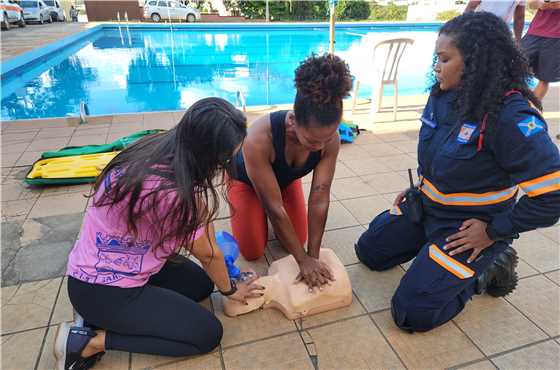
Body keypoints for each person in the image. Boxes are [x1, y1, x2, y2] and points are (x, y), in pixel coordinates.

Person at [355, 12, 560, 333]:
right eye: (436, 58)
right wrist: (420, 189)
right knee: (369, 252)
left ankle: (489, 266)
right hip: (428, 207)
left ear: (475, 62)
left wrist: (494, 230)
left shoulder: (511, 117)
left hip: (467, 228)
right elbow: (440, 156)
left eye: (444, 58)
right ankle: (435, 258)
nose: (436, 66)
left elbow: (553, 197)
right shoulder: (442, 95)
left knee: (411, 313)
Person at [54, 98, 265, 370]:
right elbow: (207, 253)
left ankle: (108, 318)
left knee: (200, 285)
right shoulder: (172, 193)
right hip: (102, 290)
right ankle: (89, 342)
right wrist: (230, 288)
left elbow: (204, 230)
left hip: (120, 261)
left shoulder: (161, 148)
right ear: (207, 155)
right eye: (224, 158)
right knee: (207, 334)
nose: (226, 165)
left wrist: (217, 266)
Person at [226, 53, 353, 290]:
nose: (321, 146)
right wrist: (301, 260)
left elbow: (320, 195)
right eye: (313, 141)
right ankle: (244, 204)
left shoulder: (330, 139)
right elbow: (274, 208)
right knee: (252, 250)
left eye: (327, 138)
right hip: (244, 180)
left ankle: (278, 200)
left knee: (297, 240)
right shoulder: (259, 138)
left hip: (283, 179)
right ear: (293, 121)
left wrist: (312, 256)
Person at [521, 0, 560, 100]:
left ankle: (530, 109)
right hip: (534, 32)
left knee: (544, 78)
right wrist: (539, 4)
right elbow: (531, 4)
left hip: (556, 37)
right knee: (512, 67)